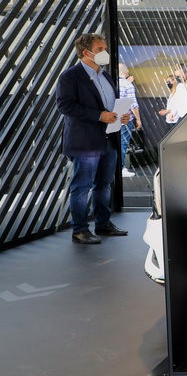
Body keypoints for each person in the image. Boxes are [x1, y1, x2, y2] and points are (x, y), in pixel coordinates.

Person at [55, 33, 132, 244]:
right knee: (82, 186)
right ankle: (80, 230)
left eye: (104, 48)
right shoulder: (70, 76)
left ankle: (103, 224)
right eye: (100, 49)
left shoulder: (105, 75)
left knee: (104, 185)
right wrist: (99, 116)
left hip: (109, 138)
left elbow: (110, 104)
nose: (105, 52)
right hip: (85, 142)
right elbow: (65, 106)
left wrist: (120, 115)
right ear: (85, 52)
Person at [117, 64, 142, 178]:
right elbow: (133, 104)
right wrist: (138, 119)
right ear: (126, 72)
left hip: (111, 118)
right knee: (123, 143)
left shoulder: (112, 83)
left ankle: (113, 168)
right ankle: (120, 168)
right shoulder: (128, 85)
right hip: (125, 119)